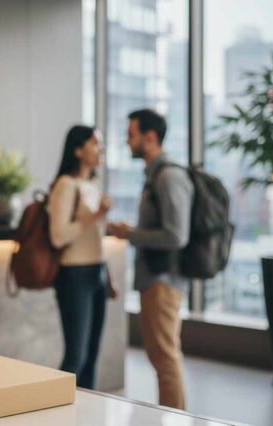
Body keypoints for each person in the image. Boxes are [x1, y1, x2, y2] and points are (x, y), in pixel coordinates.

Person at [106, 109, 193, 409]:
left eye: (131, 134)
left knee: (165, 357)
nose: (126, 141)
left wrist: (130, 234)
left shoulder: (169, 176)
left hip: (163, 280)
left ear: (150, 136)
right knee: (161, 356)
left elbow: (176, 235)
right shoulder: (155, 175)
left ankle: (175, 419)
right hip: (155, 278)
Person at [48, 125, 118, 389]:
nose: (101, 149)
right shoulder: (66, 185)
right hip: (74, 276)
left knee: (90, 358)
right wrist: (96, 216)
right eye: (94, 144)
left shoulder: (94, 185)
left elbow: (94, 237)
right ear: (78, 150)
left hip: (96, 273)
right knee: (75, 357)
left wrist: (108, 275)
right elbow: (58, 236)